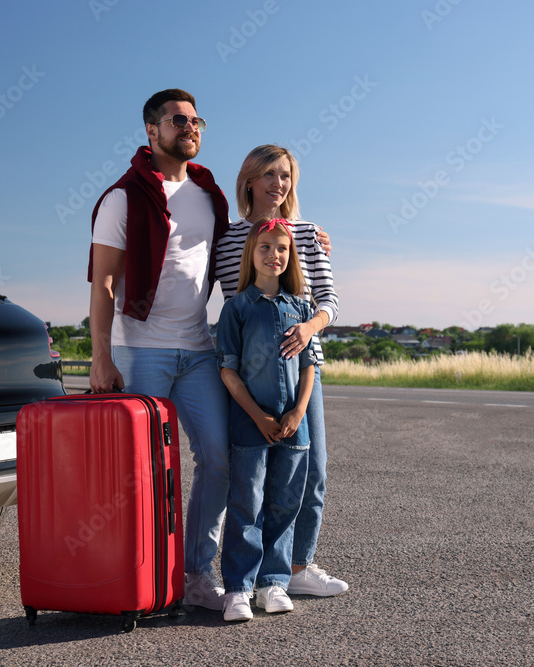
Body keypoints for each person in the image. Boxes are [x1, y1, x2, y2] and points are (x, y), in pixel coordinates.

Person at [87, 89, 233, 611]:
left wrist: (307, 236)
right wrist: (101, 357)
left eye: (197, 120)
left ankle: (195, 574)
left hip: (198, 349)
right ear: (152, 131)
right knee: (142, 472)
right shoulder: (122, 197)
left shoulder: (208, 193)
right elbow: (103, 283)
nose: (190, 127)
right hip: (141, 349)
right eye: (178, 120)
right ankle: (141, 578)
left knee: (218, 458)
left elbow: (252, 239)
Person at [214, 145, 348, 596]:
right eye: (269, 174)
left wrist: (309, 328)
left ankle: (296, 568)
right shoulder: (229, 239)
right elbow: (230, 302)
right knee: (249, 482)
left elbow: (329, 301)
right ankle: (248, 578)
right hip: (246, 378)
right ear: (249, 180)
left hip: (302, 373)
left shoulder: (308, 234)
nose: (278, 183)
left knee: (312, 470)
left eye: (286, 175)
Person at [216, 218, 317, 621]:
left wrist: (297, 411)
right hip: (249, 425)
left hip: (295, 426)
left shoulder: (302, 307)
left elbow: (311, 366)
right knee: (247, 504)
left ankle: (272, 583)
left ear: (289, 256)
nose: (273, 255)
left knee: (284, 504)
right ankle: (238, 588)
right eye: (264, 248)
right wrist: (258, 416)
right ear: (250, 254)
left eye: (281, 249)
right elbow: (228, 371)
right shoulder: (236, 309)